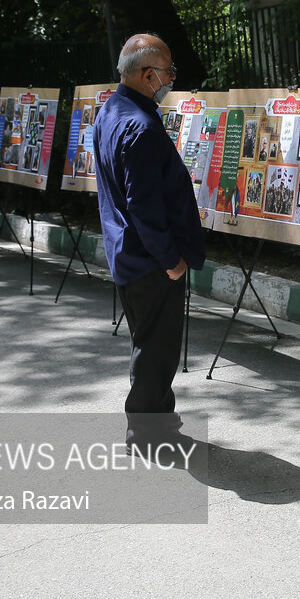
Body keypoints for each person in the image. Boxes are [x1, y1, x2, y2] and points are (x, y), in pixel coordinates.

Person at [94, 34, 206, 453]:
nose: (172, 78)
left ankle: (161, 420)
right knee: (156, 349)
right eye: (168, 70)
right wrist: (170, 259)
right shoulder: (138, 125)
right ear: (146, 75)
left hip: (127, 252)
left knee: (153, 343)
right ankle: (145, 435)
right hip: (149, 259)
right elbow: (143, 205)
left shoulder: (112, 111)